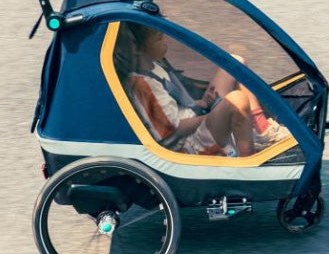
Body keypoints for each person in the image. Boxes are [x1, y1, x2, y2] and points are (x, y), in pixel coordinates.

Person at [121, 24, 287, 157]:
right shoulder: (142, 84)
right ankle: (248, 161)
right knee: (238, 100)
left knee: (235, 64)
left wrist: (199, 103)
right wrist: (209, 116)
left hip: (195, 119)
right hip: (189, 144)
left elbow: (174, 103)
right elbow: (173, 130)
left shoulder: (153, 65)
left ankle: (262, 131)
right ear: (136, 48)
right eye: (158, 39)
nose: (164, 43)